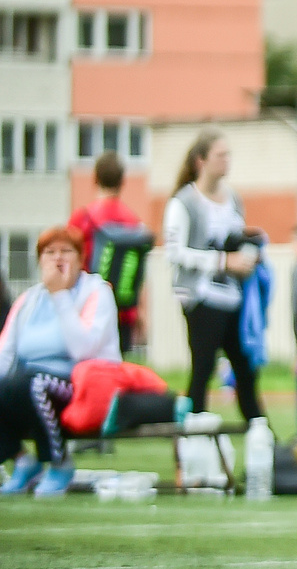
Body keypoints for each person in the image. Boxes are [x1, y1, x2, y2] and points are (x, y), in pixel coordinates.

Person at [0, 227, 117, 495]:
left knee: (33, 384)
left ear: (80, 258)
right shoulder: (28, 300)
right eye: (50, 253)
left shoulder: (97, 292)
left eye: (66, 251)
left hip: (82, 383)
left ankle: (59, 462)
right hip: (28, 383)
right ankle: (21, 461)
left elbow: (83, 349)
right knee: (20, 383)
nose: (57, 259)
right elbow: (6, 353)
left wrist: (60, 295)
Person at [165, 130, 266, 426]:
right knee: (203, 368)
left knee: (245, 369)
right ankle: (192, 436)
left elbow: (236, 237)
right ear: (201, 161)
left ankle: (260, 433)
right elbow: (174, 252)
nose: (226, 161)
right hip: (200, 297)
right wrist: (222, 261)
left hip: (234, 298)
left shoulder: (233, 199)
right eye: (220, 155)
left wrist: (250, 251)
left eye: (228, 155)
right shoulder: (184, 202)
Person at [66, 151, 144, 353]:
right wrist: (139, 311)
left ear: (94, 178)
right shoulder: (132, 222)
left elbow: (69, 263)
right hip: (122, 309)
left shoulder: (82, 219)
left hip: (87, 305)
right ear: (122, 181)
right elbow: (138, 269)